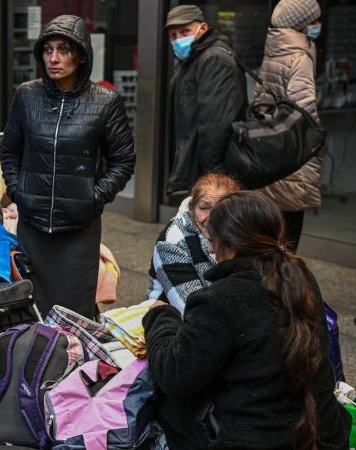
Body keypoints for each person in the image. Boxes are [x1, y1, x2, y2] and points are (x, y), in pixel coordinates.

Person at [143, 191, 350, 449]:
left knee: (166, 399)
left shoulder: (219, 299)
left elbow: (175, 375)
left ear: (227, 243)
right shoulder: (300, 276)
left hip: (256, 439)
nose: (209, 248)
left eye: (212, 239)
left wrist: (160, 316)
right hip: (324, 433)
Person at [0, 15, 135, 319]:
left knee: (75, 314)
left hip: (78, 230)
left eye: (63, 49)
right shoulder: (26, 95)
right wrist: (19, 191)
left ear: (80, 54)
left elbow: (123, 161)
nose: (54, 58)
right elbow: (10, 150)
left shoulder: (105, 102)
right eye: (47, 50)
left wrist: (94, 197)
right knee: (30, 310)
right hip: (32, 225)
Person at [253, 0, 323, 251]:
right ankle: (282, 288)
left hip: (272, 153)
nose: (318, 26)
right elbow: (304, 112)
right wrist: (318, 146)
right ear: (301, 23)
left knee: (270, 236)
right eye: (314, 21)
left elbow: (260, 103)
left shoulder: (274, 51)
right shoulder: (299, 56)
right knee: (288, 243)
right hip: (293, 157)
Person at [164, 5, 247, 201]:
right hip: (196, 167)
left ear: (202, 28)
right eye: (173, 35)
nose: (178, 39)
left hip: (209, 174)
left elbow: (215, 125)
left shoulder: (213, 59)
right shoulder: (189, 61)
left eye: (185, 32)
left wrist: (211, 177)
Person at [147, 173, 241, 311]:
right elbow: (190, 308)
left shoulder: (239, 228)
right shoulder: (172, 242)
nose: (212, 217)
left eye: (221, 209)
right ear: (192, 206)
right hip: (172, 317)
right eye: (204, 208)